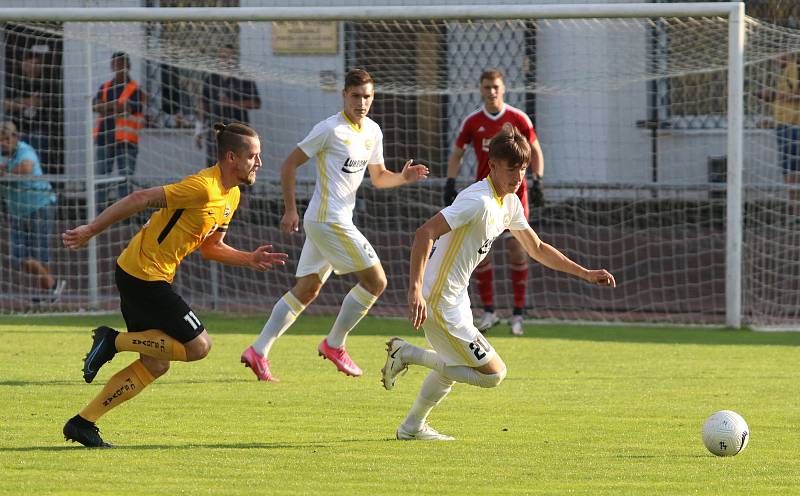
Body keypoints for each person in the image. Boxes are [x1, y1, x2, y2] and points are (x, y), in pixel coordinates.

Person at [381, 125, 615, 441]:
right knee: (494, 375)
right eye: (511, 168)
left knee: (454, 367)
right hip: (438, 296)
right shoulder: (477, 201)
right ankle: (407, 353)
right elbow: (424, 233)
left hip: (456, 296)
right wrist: (414, 290)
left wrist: (586, 273)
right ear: (492, 166)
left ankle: (411, 427)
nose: (519, 176)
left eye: (522, 168)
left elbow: (538, 248)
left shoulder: (510, 203)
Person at [61, 123, 288, 448]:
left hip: (146, 274)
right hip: (142, 275)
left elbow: (211, 247)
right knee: (199, 347)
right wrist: (91, 230)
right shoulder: (201, 187)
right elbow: (141, 198)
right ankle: (114, 341)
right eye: (253, 156)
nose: (259, 162)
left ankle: (82, 423)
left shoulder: (231, 195)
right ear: (231, 157)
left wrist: (248, 259)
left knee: (156, 363)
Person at [241, 68, 429, 382]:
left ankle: (258, 351)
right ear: (344, 95)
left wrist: (403, 177)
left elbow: (380, 178)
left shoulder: (372, 131)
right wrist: (290, 210)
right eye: (356, 96)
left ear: (373, 97)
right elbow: (289, 164)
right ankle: (334, 344)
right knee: (376, 282)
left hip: (331, 222)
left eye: (367, 96)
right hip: (328, 220)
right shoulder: (329, 129)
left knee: (306, 289)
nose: (362, 102)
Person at [445, 69, 545, 336]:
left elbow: (535, 150)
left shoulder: (517, 118)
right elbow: (457, 152)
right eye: (487, 87)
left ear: (504, 89)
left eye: (496, 87)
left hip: (514, 197)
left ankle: (518, 314)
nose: (491, 91)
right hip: (486, 197)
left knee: (519, 249)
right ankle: (489, 310)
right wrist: (450, 181)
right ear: (481, 89)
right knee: (482, 253)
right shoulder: (472, 121)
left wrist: (537, 180)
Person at [0, 121, 65, 301]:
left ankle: (49, 293)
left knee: (39, 252)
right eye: (0, 140)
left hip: (40, 205)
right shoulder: (2, 153)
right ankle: (53, 285)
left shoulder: (24, 149)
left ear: (15, 137)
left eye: (6, 139)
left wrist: (5, 171)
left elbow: (26, 168)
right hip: (17, 210)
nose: (3, 143)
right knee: (18, 257)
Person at [93, 51, 145, 210]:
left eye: (122, 64)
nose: (118, 67)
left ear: (128, 66)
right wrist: (115, 107)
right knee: (101, 179)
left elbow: (128, 108)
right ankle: (99, 215)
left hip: (126, 141)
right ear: (111, 66)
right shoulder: (105, 87)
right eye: (116, 64)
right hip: (104, 138)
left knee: (125, 180)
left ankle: (125, 216)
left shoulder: (135, 89)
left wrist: (107, 107)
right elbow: (95, 106)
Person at [196, 44, 262, 167]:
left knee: (239, 169)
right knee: (215, 169)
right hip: (216, 134)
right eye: (223, 56)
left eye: (231, 56)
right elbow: (202, 106)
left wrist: (231, 103)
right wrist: (199, 131)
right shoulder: (211, 79)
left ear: (236, 58)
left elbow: (256, 103)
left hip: (240, 135)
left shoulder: (243, 79)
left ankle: (242, 187)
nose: (227, 60)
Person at [3, 48, 55, 168]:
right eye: (32, 63)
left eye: (38, 64)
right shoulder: (15, 82)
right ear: (24, 64)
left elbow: (39, 102)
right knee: (17, 163)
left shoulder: (46, 82)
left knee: (38, 164)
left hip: (39, 130)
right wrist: (28, 102)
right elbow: (8, 105)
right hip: (18, 131)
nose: (35, 67)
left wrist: (18, 103)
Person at [774, 53, 800, 216]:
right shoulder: (784, 72)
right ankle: (795, 211)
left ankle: (796, 212)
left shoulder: (794, 68)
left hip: (793, 125)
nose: (773, 60)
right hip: (783, 124)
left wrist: (776, 95)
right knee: (788, 169)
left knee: (793, 168)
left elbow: (796, 94)